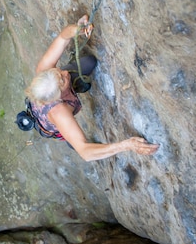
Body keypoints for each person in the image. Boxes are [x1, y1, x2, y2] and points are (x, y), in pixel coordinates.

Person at [25, 15, 159, 161]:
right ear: (58, 96)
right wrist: (127, 145)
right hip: (54, 121)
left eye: (58, 72)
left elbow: (63, 37)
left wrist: (77, 29)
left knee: (89, 62)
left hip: (56, 95)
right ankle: (73, 140)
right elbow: (86, 154)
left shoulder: (44, 71)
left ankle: (74, 89)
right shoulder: (59, 113)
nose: (65, 73)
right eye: (63, 79)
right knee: (79, 143)